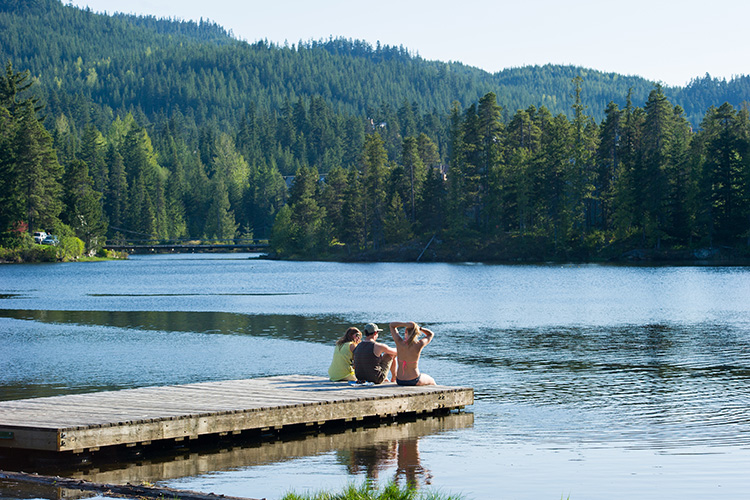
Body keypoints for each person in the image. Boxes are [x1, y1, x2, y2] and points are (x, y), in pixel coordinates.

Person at [389, 321, 436, 386]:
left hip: (399, 380)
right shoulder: (419, 344)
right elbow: (431, 334)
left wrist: (405, 324)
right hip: (413, 380)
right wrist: (420, 328)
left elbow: (392, 325)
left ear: (406, 332)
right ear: (416, 333)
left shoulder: (399, 342)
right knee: (431, 380)